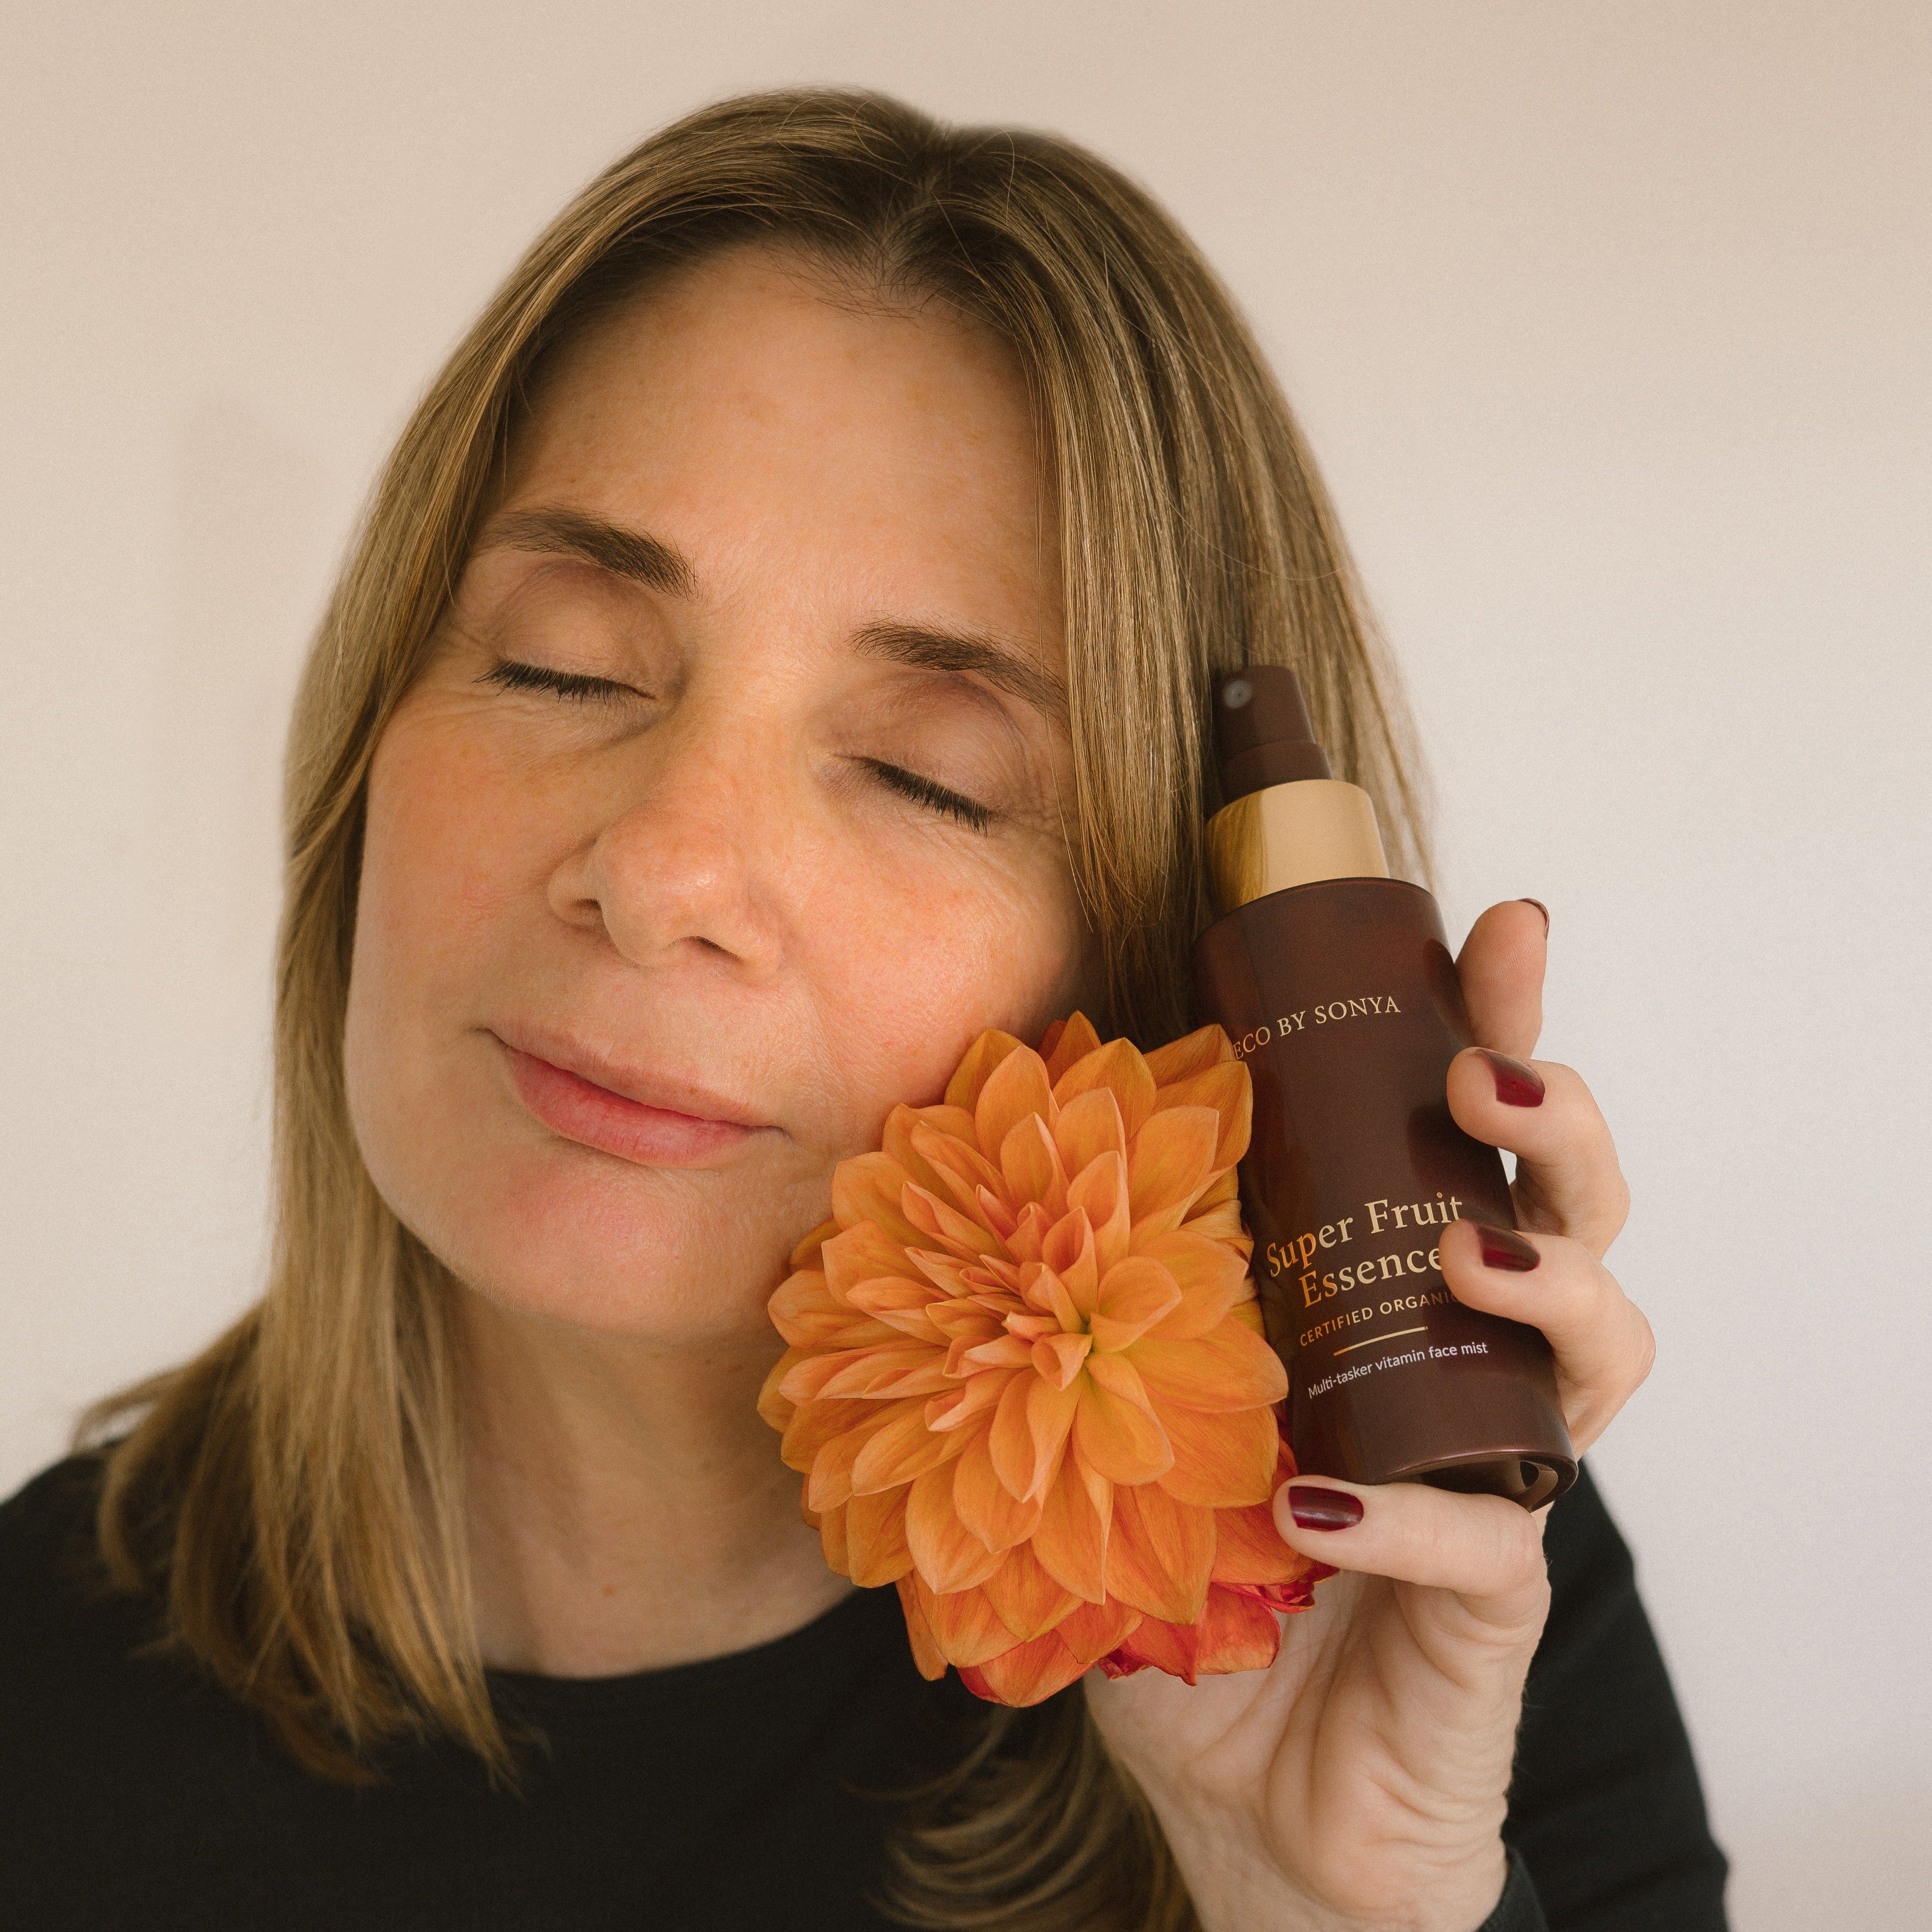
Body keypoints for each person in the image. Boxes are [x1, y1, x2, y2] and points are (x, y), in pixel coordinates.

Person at [0, 89, 1725, 1932]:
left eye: (927, 776)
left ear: (1156, 961)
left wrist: (1324, 1908)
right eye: (560, 662)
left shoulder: (1423, 1589)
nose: (659, 868)